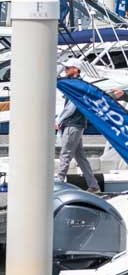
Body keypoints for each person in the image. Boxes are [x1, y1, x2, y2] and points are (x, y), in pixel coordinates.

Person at [56, 58, 100, 193]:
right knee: (80, 157)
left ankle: (58, 182)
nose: (65, 70)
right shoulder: (77, 83)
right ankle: (93, 185)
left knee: (65, 154)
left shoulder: (77, 85)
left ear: (75, 70)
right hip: (77, 125)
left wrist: (59, 120)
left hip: (72, 124)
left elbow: (72, 107)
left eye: (68, 68)